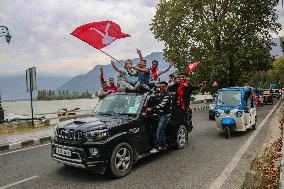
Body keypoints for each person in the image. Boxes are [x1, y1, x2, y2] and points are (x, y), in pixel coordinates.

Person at [146, 81, 172, 153]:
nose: (161, 88)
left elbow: (161, 105)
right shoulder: (160, 94)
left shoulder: (167, 95)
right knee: (162, 131)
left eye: (162, 86)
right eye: (160, 86)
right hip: (160, 115)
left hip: (165, 116)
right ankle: (163, 145)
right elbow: (154, 99)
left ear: (166, 87)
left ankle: (156, 147)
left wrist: (151, 108)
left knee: (158, 132)